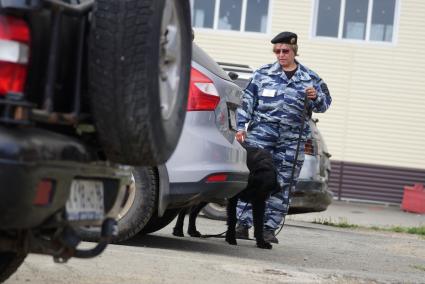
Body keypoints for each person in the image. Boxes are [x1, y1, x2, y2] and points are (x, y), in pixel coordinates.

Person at [235, 31, 332, 244]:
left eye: (285, 50)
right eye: (277, 51)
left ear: (294, 51)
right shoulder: (262, 74)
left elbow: (325, 104)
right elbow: (246, 102)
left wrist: (316, 97)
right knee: (252, 178)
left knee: (283, 183)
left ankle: (268, 228)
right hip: (261, 136)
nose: (280, 54)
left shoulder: (310, 77)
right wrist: (240, 127)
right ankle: (242, 223)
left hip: (292, 140)